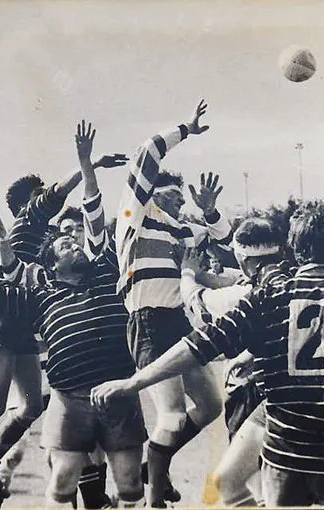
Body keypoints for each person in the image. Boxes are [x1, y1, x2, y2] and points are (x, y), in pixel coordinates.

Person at [92, 202, 324, 506]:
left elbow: (199, 345)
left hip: (284, 461)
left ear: (297, 248)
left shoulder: (269, 297)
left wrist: (133, 381)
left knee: (226, 485)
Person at [0, 131, 128, 510]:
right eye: (40, 192)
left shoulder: (43, 236)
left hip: (24, 315)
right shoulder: (26, 222)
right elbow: (55, 196)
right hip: (2, 316)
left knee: (31, 407)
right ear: (27, 202)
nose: (47, 195)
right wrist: (89, 165)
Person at [0, 120, 145, 508]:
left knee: (130, 484)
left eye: (75, 240)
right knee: (64, 479)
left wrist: (87, 166)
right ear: (52, 266)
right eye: (66, 244)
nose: (76, 245)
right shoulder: (40, 295)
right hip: (69, 397)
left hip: (118, 391)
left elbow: (95, 213)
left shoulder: (103, 268)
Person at [114, 99, 230, 507]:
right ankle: (154, 498)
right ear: (153, 195)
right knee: (173, 415)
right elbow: (146, 153)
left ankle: (153, 468)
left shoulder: (180, 230)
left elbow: (225, 242)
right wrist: (187, 129)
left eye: (184, 201)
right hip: (147, 322)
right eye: (174, 198)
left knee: (212, 405)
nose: (182, 205)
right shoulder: (134, 215)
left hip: (177, 322)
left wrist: (212, 213)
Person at [181, 217, 286, 507]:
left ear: (242, 258)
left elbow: (197, 305)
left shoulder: (244, 294)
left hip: (254, 392)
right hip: (289, 389)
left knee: (241, 482)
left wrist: (187, 273)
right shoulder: (286, 278)